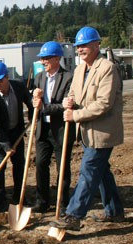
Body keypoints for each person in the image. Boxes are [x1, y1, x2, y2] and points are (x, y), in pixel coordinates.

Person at [50, 26, 124, 231]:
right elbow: (74, 92)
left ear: (96, 45)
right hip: (86, 133)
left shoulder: (107, 68)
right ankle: (115, 211)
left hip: (103, 132)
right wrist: (68, 101)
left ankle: (74, 215)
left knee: (89, 170)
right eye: (78, 46)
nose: (81, 49)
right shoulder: (80, 69)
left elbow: (104, 104)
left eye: (85, 45)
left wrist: (75, 115)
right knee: (101, 172)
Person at [0, 61, 34, 212]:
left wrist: (33, 115)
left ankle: (19, 195)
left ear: (7, 77)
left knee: (19, 165)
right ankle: (0, 198)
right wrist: (6, 146)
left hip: (16, 132)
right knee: (0, 167)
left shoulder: (18, 87)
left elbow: (29, 102)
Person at [32, 42, 75, 213]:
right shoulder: (40, 77)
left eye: (47, 58)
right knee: (41, 164)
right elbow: (35, 104)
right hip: (43, 129)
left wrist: (44, 106)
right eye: (42, 58)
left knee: (62, 167)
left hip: (61, 130)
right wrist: (34, 99)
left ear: (57, 58)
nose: (43, 61)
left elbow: (66, 105)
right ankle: (42, 201)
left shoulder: (68, 78)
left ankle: (63, 202)